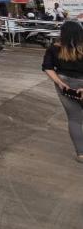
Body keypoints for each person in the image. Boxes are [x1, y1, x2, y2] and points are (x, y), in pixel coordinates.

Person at [42, 21, 83, 163]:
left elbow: (47, 67)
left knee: (75, 119)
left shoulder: (54, 48)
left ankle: (81, 154)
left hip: (64, 85)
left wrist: (60, 83)